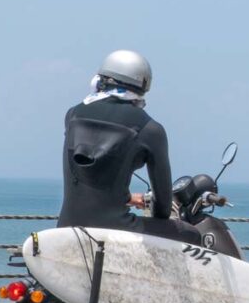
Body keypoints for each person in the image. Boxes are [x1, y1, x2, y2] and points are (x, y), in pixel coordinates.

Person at [57, 49, 201, 245]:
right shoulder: (151, 129)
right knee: (190, 234)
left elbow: (92, 175)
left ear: (100, 80)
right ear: (142, 87)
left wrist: (126, 197)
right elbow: (163, 209)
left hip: (67, 227)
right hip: (115, 230)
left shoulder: (73, 115)